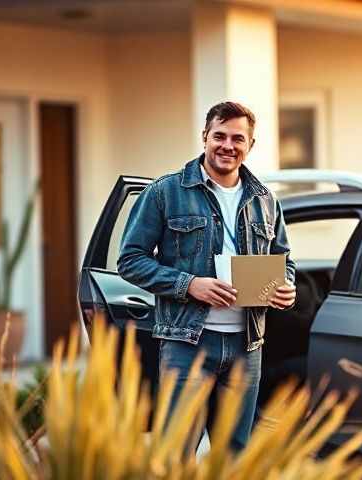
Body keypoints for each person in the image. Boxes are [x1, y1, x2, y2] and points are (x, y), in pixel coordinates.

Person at [117, 101, 296, 451]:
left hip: (248, 345)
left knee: (235, 453)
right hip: (187, 343)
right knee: (177, 452)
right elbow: (130, 260)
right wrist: (190, 285)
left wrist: (285, 286)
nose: (228, 146)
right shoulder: (166, 192)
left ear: (250, 145)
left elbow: (283, 259)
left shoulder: (265, 200)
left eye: (238, 138)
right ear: (205, 137)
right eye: (220, 136)